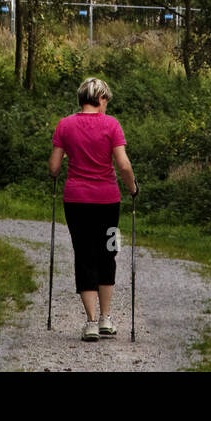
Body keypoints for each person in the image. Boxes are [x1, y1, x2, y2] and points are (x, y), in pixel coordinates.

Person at [48, 75, 137, 341]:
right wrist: (132, 188)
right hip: (108, 201)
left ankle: (89, 322)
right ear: (100, 99)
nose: (106, 106)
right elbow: (123, 165)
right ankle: (106, 318)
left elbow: (53, 168)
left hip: (75, 201)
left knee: (84, 255)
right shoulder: (112, 125)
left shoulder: (64, 125)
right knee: (108, 252)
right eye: (106, 101)